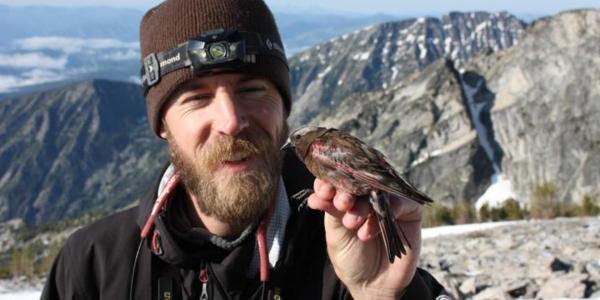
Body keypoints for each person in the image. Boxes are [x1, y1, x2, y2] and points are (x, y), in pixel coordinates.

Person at [41, 0, 449, 299]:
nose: (231, 120)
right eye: (196, 98)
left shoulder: (355, 252)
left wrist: (380, 296)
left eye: (252, 89)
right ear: (162, 125)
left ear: (284, 112)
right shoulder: (91, 267)